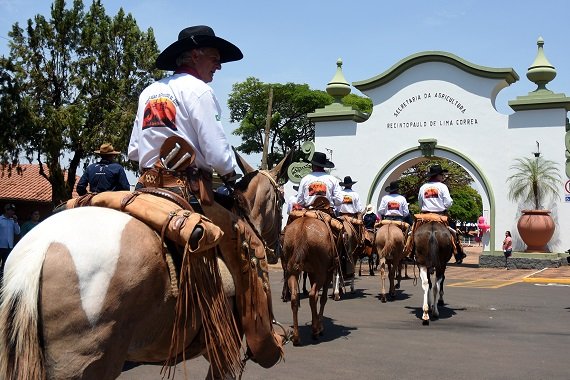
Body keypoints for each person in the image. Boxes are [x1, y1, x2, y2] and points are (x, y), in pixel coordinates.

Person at [128, 25, 242, 204]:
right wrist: (229, 173)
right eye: (215, 59)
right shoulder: (200, 90)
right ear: (195, 56)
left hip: (145, 190)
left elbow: (134, 151)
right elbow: (218, 156)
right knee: (240, 229)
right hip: (187, 194)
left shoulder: (148, 92)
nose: (218, 66)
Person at [417, 164, 466, 264]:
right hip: (440, 216)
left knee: (412, 232)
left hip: (425, 216)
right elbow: (448, 203)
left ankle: (410, 252)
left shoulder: (423, 187)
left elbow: (420, 203)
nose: (443, 177)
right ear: (438, 175)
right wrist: (445, 206)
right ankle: (458, 254)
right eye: (442, 175)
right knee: (454, 233)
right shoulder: (443, 186)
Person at [0, 203, 20, 282]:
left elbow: (17, 232)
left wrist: (15, 222)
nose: (13, 212)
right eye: (11, 210)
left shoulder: (13, 221)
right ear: (6, 210)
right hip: (0, 245)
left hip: (9, 246)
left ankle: (3, 279)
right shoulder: (0, 219)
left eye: (13, 211)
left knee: (6, 264)